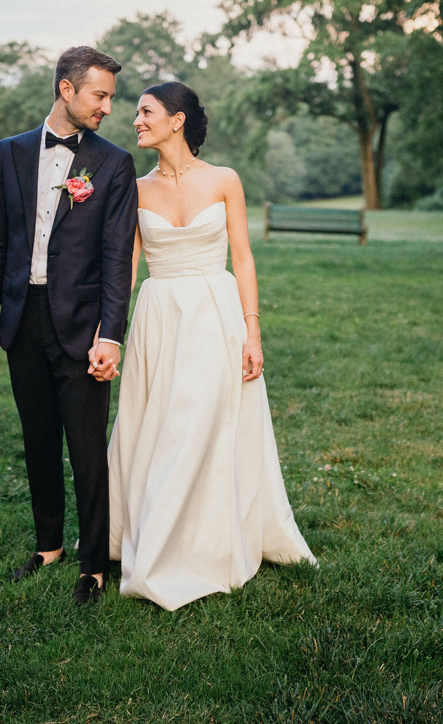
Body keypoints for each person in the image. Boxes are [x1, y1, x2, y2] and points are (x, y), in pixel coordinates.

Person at [107, 81, 315, 611]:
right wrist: (109, 332)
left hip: (214, 313)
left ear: (177, 120)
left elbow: (243, 258)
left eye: (145, 111)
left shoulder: (225, 180)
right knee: (160, 427)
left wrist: (253, 331)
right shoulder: (136, 188)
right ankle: (158, 536)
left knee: (200, 423)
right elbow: (127, 268)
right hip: (158, 318)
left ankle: (201, 542)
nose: (135, 120)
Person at [0, 46, 138, 606]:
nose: (108, 108)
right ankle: (48, 545)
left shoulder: (113, 163)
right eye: (100, 95)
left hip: (83, 325)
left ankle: (93, 563)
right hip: (23, 318)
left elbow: (119, 258)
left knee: (87, 448)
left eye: (111, 97)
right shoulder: (10, 153)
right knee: (37, 438)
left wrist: (110, 333)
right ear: (66, 90)